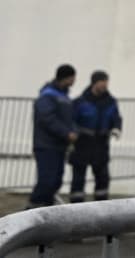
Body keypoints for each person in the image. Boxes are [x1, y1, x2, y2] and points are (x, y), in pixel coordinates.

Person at [28, 64, 78, 208]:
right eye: (73, 77)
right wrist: (66, 133)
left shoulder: (64, 96)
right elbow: (47, 119)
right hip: (46, 145)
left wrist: (73, 131)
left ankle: (47, 211)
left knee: (56, 180)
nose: (74, 80)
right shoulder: (48, 96)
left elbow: (70, 119)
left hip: (59, 145)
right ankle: (30, 211)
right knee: (46, 180)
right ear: (68, 77)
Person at [68, 70, 122, 202]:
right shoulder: (80, 102)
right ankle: (76, 207)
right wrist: (73, 133)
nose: (105, 85)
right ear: (94, 83)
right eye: (102, 82)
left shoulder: (111, 102)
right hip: (82, 142)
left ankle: (101, 206)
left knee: (103, 177)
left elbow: (116, 117)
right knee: (78, 177)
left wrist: (116, 128)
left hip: (101, 143)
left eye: (106, 82)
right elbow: (72, 120)